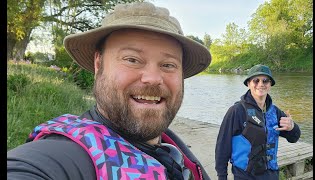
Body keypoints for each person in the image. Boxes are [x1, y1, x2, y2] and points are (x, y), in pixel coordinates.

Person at [7, 2, 212, 180]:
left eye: (168, 65)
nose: (153, 78)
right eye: (132, 60)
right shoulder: (65, 156)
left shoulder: (172, 147)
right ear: (98, 64)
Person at [215, 64, 301, 180]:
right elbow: (222, 147)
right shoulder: (237, 111)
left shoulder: (275, 112)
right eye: (256, 80)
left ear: (270, 85)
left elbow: (293, 138)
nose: (261, 84)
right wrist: (222, 176)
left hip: (271, 175)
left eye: (265, 81)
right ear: (248, 84)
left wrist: (292, 127)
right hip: (244, 175)